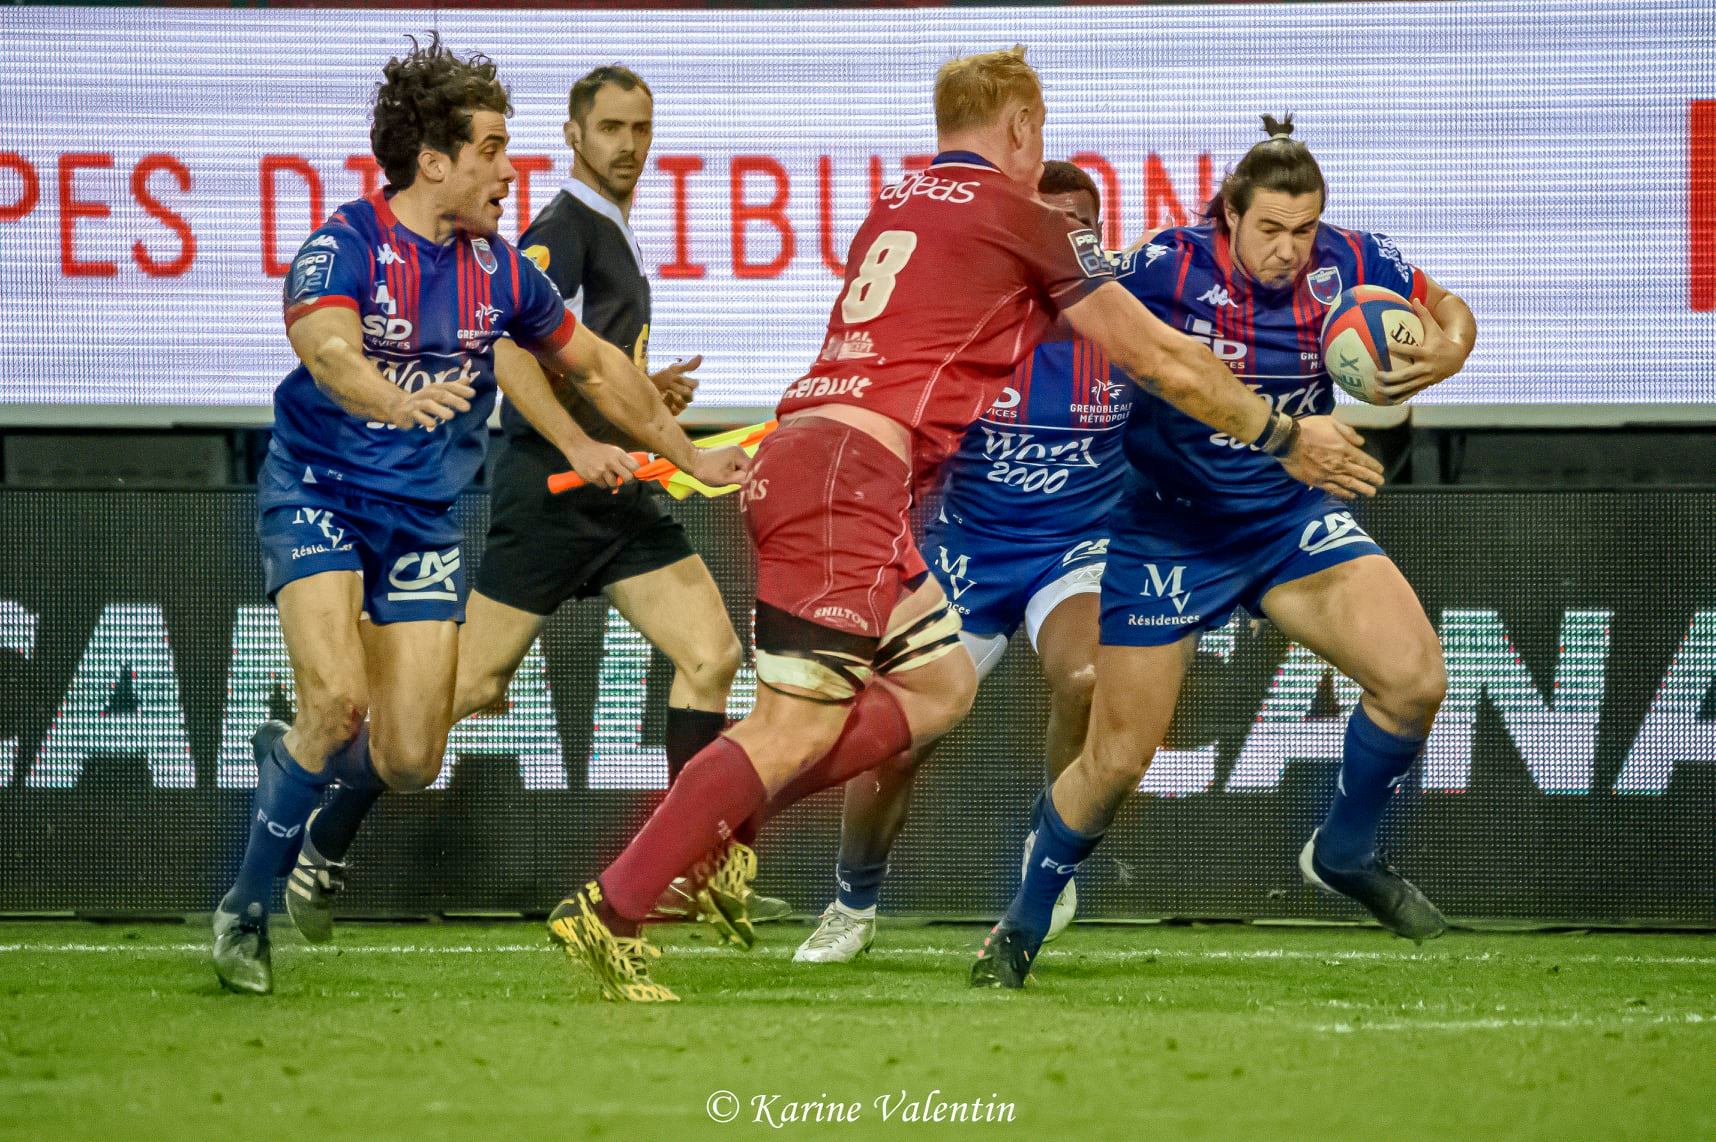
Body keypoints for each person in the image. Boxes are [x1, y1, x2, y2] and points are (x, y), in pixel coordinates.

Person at [547, 50, 1381, 1003]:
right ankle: (614, 908)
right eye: (1041, 130)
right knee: (785, 729)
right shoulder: (1020, 216)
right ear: (1020, 128)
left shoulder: (897, 204)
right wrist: (1282, 434)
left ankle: (713, 825)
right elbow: (1157, 355)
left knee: (939, 689)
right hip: (846, 482)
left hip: (831, 467)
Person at [212, 36, 747, 995]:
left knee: (412, 757)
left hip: (422, 518)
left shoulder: (500, 270)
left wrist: (688, 454)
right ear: (435, 163)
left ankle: (289, 768)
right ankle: (247, 912)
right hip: (322, 491)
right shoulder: (346, 243)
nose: (511, 168)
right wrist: (388, 398)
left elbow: (598, 368)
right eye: (494, 149)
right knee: (335, 702)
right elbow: (326, 348)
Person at [971, 115, 1477, 989]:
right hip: (1168, 529)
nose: (1290, 249)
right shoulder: (1162, 267)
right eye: (1271, 229)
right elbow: (1050, 303)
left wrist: (1445, 352)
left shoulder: (1353, 264)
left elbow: (1449, 309)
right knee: (1117, 760)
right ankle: (1019, 924)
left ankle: (1346, 852)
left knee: (1416, 679)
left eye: (1304, 228)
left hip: (1284, 520)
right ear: (1228, 216)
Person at [793, 161, 1129, 963]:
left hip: (1078, 548)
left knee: (1085, 682)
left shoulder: (1128, 331)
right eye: (1043, 226)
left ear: (1099, 242)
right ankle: (853, 905)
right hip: (971, 551)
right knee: (895, 736)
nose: (1061, 240)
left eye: (1078, 228)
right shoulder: (964, 326)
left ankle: (1050, 857)